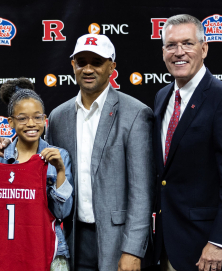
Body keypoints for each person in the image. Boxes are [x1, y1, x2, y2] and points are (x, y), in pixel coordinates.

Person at [46, 34, 154, 271]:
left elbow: (142, 191)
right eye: (81, 61)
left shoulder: (135, 113)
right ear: (72, 65)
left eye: (96, 62)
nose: (88, 68)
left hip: (119, 241)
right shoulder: (58, 117)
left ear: (111, 67)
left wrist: (133, 250)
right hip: (74, 238)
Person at [153, 14, 222, 271]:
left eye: (188, 43)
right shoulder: (162, 96)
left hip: (205, 247)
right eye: (171, 45)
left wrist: (219, 242)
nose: (178, 52)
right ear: (163, 51)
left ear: (204, 48)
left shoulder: (221, 98)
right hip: (164, 244)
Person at [0, 78, 73, 271]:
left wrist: (61, 170)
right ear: (11, 122)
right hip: (10, 248)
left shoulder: (60, 155)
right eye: (22, 118)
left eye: (37, 117)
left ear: (44, 119)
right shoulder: (0, 159)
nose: (31, 124)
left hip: (52, 249)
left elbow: (63, 213)